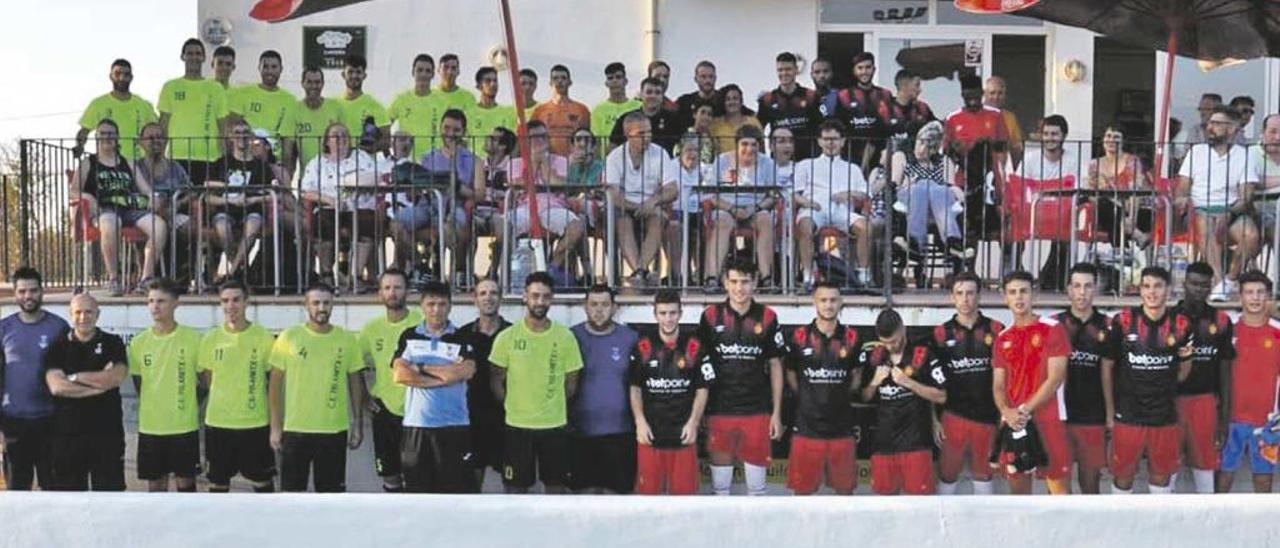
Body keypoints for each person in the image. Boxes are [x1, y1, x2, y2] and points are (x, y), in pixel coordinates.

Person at [696, 256, 787, 496]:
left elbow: (776, 365)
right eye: (734, 281)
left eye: (745, 282)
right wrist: (702, 412)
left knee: (757, 491)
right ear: (725, 283)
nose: (739, 288)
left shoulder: (767, 317)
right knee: (720, 489)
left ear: (755, 283)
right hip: (719, 410)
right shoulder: (709, 316)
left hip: (756, 412)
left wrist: (776, 413)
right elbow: (699, 369)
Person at [1102, 266, 1194, 494]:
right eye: (1146, 286)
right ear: (1140, 290)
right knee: (1123, 478)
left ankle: (1159, 529)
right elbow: (1106, 368)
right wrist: (1110, 412)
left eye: (1158, 286)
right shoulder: (1122, 321)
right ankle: (1121, 529)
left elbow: (1184, 369)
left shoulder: (1182, 325)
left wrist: (1163, 385)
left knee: (1161, 478)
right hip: (1128, 416)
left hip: (1164, 417)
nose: (1151, 292)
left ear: (1169, 290)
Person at [490, 271, 583, 494]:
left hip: (554, 427)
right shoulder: (507, 337)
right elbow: (496, 381)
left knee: (557, 489)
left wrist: (550, 405)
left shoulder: (565, 337)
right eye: (535, 296)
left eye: (545, 296)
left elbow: (571, 384)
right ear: (525, 297)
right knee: (515, 490)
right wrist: (515, 407)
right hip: (517, 427)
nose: (540, 302)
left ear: (551, 299)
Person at [269, 283, 368, 492]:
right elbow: (274, 385)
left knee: (331, 496)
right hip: (295, 431)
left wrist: (357, 424)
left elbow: (355, 383)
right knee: (292, 496)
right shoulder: (289, 337)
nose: (321, 308)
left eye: (326, 303)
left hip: (333, 431)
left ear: (333, 305)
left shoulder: (347, 339)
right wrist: (275, 427)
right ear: (306, 305)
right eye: (316, 303)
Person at [392, 281, 480, 493]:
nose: (436, 309)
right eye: (431, 304)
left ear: (450, 306)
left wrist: (420, 366)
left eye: (442, 304)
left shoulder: (462, 336)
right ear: (422, 306)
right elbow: (400, 374)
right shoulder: (409, 336)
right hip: (417, 426)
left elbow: (464, 372)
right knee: (417, 492)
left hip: (454, 427)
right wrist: (441, 378)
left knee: (455, 493)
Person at [991, 270, 1072, 495]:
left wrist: (1024, 410)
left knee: (1060, 495)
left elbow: (1055, 377)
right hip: (1014, 423)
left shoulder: (1052, 328)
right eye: (1013, 292)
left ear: (1034, 295)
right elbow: (998, 384)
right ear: (1005, 297)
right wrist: (1006, 411)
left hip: (1049, 419)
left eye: (1024, 291)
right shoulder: (1002, 337)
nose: (1019, 298)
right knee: (1019, 496)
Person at [197, 279, 277, 493]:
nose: (230, 306)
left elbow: (274, 382)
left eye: (236, 300)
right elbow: (207, 379)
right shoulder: (211, 338)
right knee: (218, 486)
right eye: (225, 301)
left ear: (246, 302)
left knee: (263, 486)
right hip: (218, 424)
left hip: (255, 424)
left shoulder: (263, 337)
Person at [43, 294, 128, 491]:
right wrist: (98, 386)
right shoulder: (57, 347)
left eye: (88, 311)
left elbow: (115, 378)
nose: (83, 317)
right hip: (67, 437)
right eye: (78, 312)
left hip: (107, 436)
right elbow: (57, 387)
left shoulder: (113, 343)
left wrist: (73, 377)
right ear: (70, 315)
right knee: (68, 502)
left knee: (110, 499)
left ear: (98, 314)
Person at [630, 289, 712, 495]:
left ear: (681, 313)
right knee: (648, 501)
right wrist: (640, 422)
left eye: (673, 313)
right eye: (663, 313)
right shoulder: (643, 346)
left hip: (683, 437)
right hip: (650, 435)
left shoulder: (694, 346)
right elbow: (635, 388)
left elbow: (702, 389)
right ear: (655, 314)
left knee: (685, 503)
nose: (668, 319)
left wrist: (693, 423)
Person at [73, 119, 167, 296]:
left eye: (111, 133)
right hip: (105, 209)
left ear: (117, 138)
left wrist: (152, 198)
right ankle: (114, 279)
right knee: (110, 222)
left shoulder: (128, 163)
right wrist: (88, 196)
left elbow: (145, 188)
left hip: (130, 208)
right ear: (97, 137)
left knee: (159, 225)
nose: (107, 137)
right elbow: (74, 191)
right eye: (103, 133)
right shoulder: (89, 163)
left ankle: (145, 279)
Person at [785, 281, 860, 495]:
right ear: (814, 302)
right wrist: (808, 397)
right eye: (823, 300)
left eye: (833, 300)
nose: (828, 305)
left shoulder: (852, 338)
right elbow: (790, 372)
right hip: (807, 430)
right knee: (802, 497)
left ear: (841, 303)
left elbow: (856, 376)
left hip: (842, 429)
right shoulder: (799, 337)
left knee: (845, 496)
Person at [933, 272, 1005, 495]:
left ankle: (985, 529)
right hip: (953, 417)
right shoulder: (940, 333)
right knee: (947, 476)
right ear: (952, 297)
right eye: (960, 293)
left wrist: (1004, 413)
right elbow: (930, 382)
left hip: (987, 418)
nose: (965, 299)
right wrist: (935, 420)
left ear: (979, 296)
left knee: (983, 478)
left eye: (970, 293)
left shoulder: (997, 330)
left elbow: (1007, 377)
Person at [1177, 105, 1259, 301]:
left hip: (1231, 210)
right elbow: (1182, 188)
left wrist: (1229, 212)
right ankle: (1217, 283)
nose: (1209, 127)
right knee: (1206, 223)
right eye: (1209, 123)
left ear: (1231, 129)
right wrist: (1182, 199)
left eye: (1216, 123)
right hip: (1199, 209)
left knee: (1252, 235)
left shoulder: (1244, 155)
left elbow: (1246, 196)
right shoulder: (1196, 152)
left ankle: (1229, 281)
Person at [128, 278, 202, 492]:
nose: (155, 306)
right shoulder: (139, 342)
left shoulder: (192, 339)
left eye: (161, 301)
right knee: (156, 485)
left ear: (176, 303)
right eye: (150, 301)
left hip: (184, 426)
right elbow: (138, 383)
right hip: (151, 426)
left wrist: (187, 403)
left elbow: (205, 382)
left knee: (186, 485)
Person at [861, 308, 944, 495]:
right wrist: (874, 383)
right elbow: (863, 397)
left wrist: (909, 383)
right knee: (885, 509)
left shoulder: (922, 354)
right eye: (886, 342)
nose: (891, 346)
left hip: (916, 444)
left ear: (903, 329)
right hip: (883, 445)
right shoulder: (874, 357)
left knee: (921, 508)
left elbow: (941, 395)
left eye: (895, 340)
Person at [0, 268, 69, 490]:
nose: (28, 296)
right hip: (13, 423)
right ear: (15, 294)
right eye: (22, 291)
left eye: (33, 290)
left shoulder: (59, 327)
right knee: (17, 492)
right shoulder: (4, 328)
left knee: (54, 489)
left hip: (51, 421)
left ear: (42, 291)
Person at [569, 285, 639, 494]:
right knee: (584, 499)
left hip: (621, 433)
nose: (599, 310)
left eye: (605, 305)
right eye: (594, 304)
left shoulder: (630, 338)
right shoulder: (571, 337)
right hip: (582, 433)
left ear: (615, 307)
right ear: (585, 307)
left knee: (618, 500)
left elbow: (639, 384)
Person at [358, 269, 423, 492]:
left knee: (418, 477)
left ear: (407, 291)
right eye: (387, 288)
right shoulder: (371, 329)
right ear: (380, 294)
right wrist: (364, 397)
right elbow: (354, 365)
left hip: (418, 412)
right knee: (390, 477)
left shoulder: (422, 323)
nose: (392, 293)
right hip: (385, 413)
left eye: (397, 287)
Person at [1173, 262, 1235, 493]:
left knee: (1205, 470)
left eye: (1204, 286)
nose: (1198, 290)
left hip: (1206, 404)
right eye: (1194, 284)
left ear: (1210, 288)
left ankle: (1207, 525)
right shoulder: (1169, 319)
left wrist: (1224, 418)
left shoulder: (1221, 321)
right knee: (1166, 470)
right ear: (1184, 284)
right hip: (1173, 404)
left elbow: (1225, 372)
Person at [1217, 270, 1280, 493]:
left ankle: (1263, 530)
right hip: (1230, 421)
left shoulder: (1278, 332)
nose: (1255, 298)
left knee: (1263, 483)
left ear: (1268, 296)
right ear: (1240, 296)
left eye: (1261, 292)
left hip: (1267, 423)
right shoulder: (1228, 330)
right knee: (1222, 480)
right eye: (1249, 292)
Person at [299, 122, 384, 289]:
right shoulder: (317, 162)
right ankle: (326, 274)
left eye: (344, 135)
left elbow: (376, 178)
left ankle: (356, 275)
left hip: (358, 206)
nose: (341, 139)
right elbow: (306, 191)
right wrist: (329, 200)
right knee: (323, 222)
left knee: (366, 221)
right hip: (329, 206)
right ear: (326, 141)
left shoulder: (361, 157)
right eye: (336, 136)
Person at [792, 119, 871, 290]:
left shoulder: (852, 168)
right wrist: (807, 202)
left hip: (842, 210)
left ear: (842, 142)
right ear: (819, 141)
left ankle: (863, 274)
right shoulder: (806, 165)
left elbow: (865, 193)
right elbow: (793, 194)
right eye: (826, 139)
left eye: (835, 139)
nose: (830, 143)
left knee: (865, 227)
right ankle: (807, 276)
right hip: (815, 208)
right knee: (804, 225)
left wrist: (848, 194)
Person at [1053, 263, 1111, 494]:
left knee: (1090, 488)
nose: (1082, 292)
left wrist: (1109, 415)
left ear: (1096, 289)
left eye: (1088, 286)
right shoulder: (1053, 325)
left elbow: (1111, 374)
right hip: (1059, 419)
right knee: (1057, 490)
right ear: (1068, 290)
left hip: (1093, 418)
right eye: (1077, 286)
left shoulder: (1108, 326)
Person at [944, 74, 1009, 271]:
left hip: (991, 182)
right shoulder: (953, 118)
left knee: (1003, 225)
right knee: (968, 228)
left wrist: (1001, 178)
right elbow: (947, 151)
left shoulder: (995, 116)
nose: (972, 98)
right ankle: (967, 272)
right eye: (968, 94)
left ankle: (1008, 271)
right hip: (964, 183)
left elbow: (1003, 147)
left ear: (981, 94)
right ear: (962, 95)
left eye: (976, 94)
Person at [508, 120, 585, 286]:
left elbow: (557, 184)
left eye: (543, 137)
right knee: (501, 225)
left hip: (553, 206)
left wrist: (544, 163)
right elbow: (520, 185)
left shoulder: (560, 161)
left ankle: (552, 268)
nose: (540, 141)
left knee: (577, 227)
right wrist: (533, 161)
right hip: (525, 207)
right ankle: (507, 273)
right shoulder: (514, 163)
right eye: (535, 137)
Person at [606, 112, 679, 287]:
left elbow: (672, 189)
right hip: (625, 205)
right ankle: (640, 271)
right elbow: (613, 195)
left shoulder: (659, 153)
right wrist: (639, 206)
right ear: (627, 134)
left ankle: (639, 270)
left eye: (649, 132)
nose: (647, 137)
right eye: (641, 133)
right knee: (622, 220)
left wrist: (652, 202)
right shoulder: (615, 157)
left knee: (658, 218)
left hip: (651, 204)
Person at [1011, 115, 1082, 290]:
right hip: (1032, 213)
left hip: (1062, 215)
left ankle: (1054, 281)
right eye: (1046, 134)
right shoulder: (1030, 158)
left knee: (1068, 229)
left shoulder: (1073, 160)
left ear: (1064, 136)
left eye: (1054, 134)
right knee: (1013, 227)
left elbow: (1078, 191)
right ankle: (1018, 277)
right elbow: (1019, 188)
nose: (1050, 138)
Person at [705, 126, 780, 291]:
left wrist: (756, 208)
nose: (749, 149)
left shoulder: (767, 163)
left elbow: (773, 195)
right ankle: (712, 277)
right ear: (736, 145)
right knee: (722, 223)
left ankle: (767, 277)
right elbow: (711, 194)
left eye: (754, 144)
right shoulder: (722, 160)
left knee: (766, 220)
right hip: (727, 207)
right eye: (745, 144)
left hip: (756, 207)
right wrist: (731, 208)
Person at [891, 121, 966, 283]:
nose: (923, 149)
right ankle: (952, 239)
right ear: (916, 139)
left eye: (930, 146)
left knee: (935, 188)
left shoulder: (944, 161)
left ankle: (916, 240)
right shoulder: (902, 156)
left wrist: (957, 192)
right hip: (907, 201)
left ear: (936, 147)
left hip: (937, 208)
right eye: (921, 142)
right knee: (923, 186)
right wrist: (915, 183)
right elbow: (894, 184)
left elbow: (950, 186)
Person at [206, 119, 279, 282]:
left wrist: (252, 199)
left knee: (252, 227)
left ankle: (232, 273)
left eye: (246, 133)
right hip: (226, 209)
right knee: (222, 228)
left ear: (251, 137)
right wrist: (231, 201)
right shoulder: (220, 164)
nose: (242, 137)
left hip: (252, 209)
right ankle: (242, 271)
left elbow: (275, 194)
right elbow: (208, 196)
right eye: (237, 133)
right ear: (231, 137)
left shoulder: (262, 166)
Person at [414, 109, 477, 282]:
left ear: (464, 132)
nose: (450, 134)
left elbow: (479, 194)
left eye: (456, 130)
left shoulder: (474, 160)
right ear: (440, 129)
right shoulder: (426, 158)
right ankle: (420, 267)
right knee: (398, 223)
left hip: (458, 206)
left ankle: (452, 272)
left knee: (452, 224)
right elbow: (417, 188)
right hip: (429, 207)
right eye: (447, 128)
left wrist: (458, 187)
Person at [459, 278, 511, 484]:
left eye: (493, 293)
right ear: (475, 299)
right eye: (483, 293)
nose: (488, 298)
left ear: (501, 298)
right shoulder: (461, 335)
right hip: (471, 419)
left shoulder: (513, 334)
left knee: (513, 486)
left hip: (506, 419)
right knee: (470, 485)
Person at [159, 38, 229, 185]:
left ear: (204, 57)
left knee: (207, 204)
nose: (194, 57)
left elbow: (222, 126)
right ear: (182, 56)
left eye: (198, 53)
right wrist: (160, 156)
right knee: (179, 203)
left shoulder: (215, 88)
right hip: (177, 156)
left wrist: (226, 158)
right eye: (190, 53)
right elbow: (164, 124)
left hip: (210, 157)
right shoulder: (170, 87)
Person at [1087, 124, 1152, 251]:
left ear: (1123, 141)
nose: (1111, 140)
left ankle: (1120, 253)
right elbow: (1091, 193)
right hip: (1109, 209)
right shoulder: (1094, 164)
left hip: (1137, 210)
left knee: (1111, 217)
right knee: (1104, 206)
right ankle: (1135, 238)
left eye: (1116, 137)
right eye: (1108, 136)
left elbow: (1136, 193)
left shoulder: (1132, 161)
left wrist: (1132, 219)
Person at [75, 59, 157, 161]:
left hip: (139, 163)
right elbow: (84, 130)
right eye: (117, 73)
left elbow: (155, 133)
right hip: (107, 162)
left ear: (131, 78)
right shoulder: (98, 104)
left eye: (126, 74)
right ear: (111, 76)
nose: (122, 78)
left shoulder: (144, 105)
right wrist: (79, 146)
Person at [230, 50, 297, 170]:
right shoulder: (243, 93)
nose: (270, 71)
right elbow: (234, 127)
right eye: (265, 67)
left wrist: (286, 170)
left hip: (273, 162)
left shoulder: (289, 100)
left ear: (281, 69)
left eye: (274, 67)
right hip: (245, 159)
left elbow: (287, 140)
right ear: (259, 68)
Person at [836, 52, 894, 173]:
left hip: (880, 153)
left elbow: (890, 124)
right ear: (854, 71)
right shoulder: (844, 95)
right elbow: (838, 125)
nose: (864, 71)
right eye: (860, 68)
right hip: (851, 152)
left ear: (874, 69)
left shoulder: (885, 94)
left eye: (868, 67)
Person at [757, 52, 820, 161]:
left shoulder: (811, 96)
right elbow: (757, 129)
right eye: (780, 70)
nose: (784, 73)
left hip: (807, 159)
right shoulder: (767, 100)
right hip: (779, 161)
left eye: (788, 69)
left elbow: (821, 128)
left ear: (796, 70)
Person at [474, 128, 517, 278]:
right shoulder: (478, 164)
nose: (487, 140)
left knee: (502, 227)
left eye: (493, 138)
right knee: (466, 226)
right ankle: (466, 272)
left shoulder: (511, 166)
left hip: (499, 212)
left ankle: (494, 271)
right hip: (477, 210)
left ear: (503, 146)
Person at [386, 54, 443, 157]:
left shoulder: (442, 101)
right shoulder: (401, 99)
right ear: (413, 72)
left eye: (427, 71)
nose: (423, 74)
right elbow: (385, 124)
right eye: (419, 70)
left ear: (433, 74)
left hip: (434, 160)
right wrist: (389, 149)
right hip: (407, 160)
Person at [531, 65, 591, 156]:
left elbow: (587, 138)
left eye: (563, 78)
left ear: (570, 82)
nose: (559, 81)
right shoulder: (539, 111)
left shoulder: (582, 109)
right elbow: (533, 139)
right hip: (548, 161)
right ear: (550, 83)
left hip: (574, 161)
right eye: (555, 78)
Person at [294, 66, 346, 169]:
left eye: (317, 82)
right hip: (307, 178)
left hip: (334, 175)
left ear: (323, 84)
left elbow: (346, 142)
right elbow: (289, 149)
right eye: (309, 82)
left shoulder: (336, 107)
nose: (314, 86)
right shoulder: (294, 109)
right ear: (302, 83)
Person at [609, 77, 681, 151]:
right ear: (641, 94)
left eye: (658, 93)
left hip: (664, 161)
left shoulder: (673, 119)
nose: (653, 96)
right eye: (649, 92)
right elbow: (613, 146)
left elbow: (683, 144)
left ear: (662, 96)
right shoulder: (626, 118)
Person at [337, 54, 390, 150]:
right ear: (343, 75)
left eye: (358, 72)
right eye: (350, 72)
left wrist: (371, 148)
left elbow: (387, 140)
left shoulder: (375, 105)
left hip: (364, 163)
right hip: (338, 161)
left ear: (364, 76)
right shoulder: (334, 104)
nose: (354, 76)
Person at [468, 67, 517, 156]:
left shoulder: (509, 112)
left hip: (501, 166)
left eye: (495, 80)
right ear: (479, 86)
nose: (493, 84)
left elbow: (514, 143)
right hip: (475, 165)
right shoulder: (469, 114)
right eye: (488, 81)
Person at [592, 62, 642, 146]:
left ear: (625, 81)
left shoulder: (639, 106)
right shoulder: (598, 110)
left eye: (618, 77)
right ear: (606, 83)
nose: (614, 81)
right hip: (608, 157)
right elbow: (596, 141)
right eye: (610, 78)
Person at [883, 70, 936, 145]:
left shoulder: (923, 109)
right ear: (904, 86)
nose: (920, 90)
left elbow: (938, 127)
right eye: (917, 85)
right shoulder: (885, 110)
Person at [709, 84, 762, 155]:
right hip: (724, 164)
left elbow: (761, 149)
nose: (732, 102)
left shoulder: (753, 122)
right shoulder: (715, 124)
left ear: (741, 102)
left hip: (750, 163)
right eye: (728, 99)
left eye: (735, 98)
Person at [983, 76, 1024, 166]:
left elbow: (1016, 148)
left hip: (1001, 169)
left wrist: (1017, 172)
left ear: (1005, 95)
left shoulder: (1010, 118)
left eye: (1000, 93)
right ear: (984, 94)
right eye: (992, 93)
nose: (996, 97)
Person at [676, 60, 719, 133]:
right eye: (703, 77)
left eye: (711, 76)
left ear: (715, 78)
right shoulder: (684, 102)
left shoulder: (725, 100)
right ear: (696, 79)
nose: (707, 81)